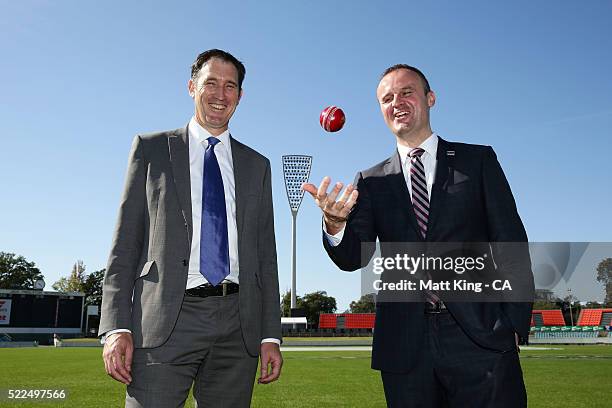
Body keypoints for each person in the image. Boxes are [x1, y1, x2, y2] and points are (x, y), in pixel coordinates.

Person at [303, 64, 534, 407]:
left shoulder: (477, 160)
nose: (397, 102)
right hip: (404, 345)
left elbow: (510, 243)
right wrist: (335, 225)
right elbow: (354, 258)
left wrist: (513, 321)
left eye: (407, 92)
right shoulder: (370, 181)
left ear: (430, 98)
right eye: (387, 98)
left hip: (480, 337)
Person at [99, 49, 282, 407]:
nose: (220, 94)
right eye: (210, 83)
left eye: (230, 86)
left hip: (237, 324)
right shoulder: (151, 149)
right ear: (191, 87)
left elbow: (266, 256)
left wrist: (270, 334)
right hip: (166, 318)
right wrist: (116, 326)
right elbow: (126, 243)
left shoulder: (257, 165)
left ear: (240, 96)